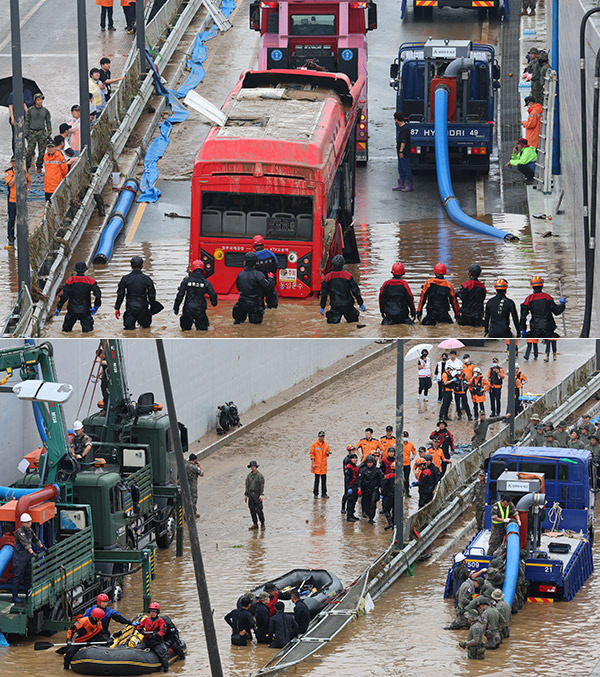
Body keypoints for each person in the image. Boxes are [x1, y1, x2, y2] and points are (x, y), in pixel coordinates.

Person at [55, 261, 101, 333]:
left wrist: (59, 306)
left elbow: (65, 295)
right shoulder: (91, 281)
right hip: (85, 310)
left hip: (72, 310)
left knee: (66, 331)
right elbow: (98, 294)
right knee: (88, 333)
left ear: (75, 270)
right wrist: (96, 306)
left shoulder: (70, 281)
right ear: (85, 270)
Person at [11, 513, 46, 603]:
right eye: (27, 522)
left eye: (30, 522)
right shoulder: (20, 532)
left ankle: (28, 595)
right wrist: (33, 553)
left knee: (28, 577)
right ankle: (14, 596)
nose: (29, 523)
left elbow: (36, 539)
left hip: (27, 558)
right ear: (23, 523)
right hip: (20, 559)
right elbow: (26, 544)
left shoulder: (29, 530)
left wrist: (43, 548)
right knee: (18, 577)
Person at [173, 260, 218, 331]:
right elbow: (213, 294)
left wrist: (176, 308)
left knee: (185, 331)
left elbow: (180, 295)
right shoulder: (206, 282)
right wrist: (214, 303)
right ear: (203, 269)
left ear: (192, 268)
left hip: (188, 309)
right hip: (200, 309)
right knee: (202, 333)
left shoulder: (186, 280)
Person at [115, 256, 158, 330]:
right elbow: (151, 294)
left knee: (128, 331)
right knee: (146, 330)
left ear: (131, 266)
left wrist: (117, 308)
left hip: (130, 308)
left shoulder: (125, 278)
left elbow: (120, 294)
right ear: (142, 265)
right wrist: (153, 308)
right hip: (143, 308)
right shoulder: (147, 279)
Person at [320, 254, 365, 323]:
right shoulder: (347, 275)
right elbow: (356, 291)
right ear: (343, 264)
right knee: (353, 322)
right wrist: (360, 303)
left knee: (332, 325)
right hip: (348, 305)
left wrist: (322, 306)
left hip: (335, 305)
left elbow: (324, 294)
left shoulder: (328, 277)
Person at [233, 251, 275, 325]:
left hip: (242, 302)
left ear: (245, 262)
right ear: (256, 262)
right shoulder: (259, 275)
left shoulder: (240, 275)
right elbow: (268, 287)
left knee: (239, 323)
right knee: (256, 326)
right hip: (255, 304)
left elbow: (238, 287)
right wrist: (271, 278)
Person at [4, 156, 31, 249]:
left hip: (21, 200)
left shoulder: (24, 171)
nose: (16, 164)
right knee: (11, 219)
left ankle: (23, 237)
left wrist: (27, 189)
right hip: (12, 200)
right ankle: (11, 238)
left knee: (23, 219)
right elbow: (10, 184)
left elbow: (29, 180)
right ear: (11, 162)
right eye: (14, 162)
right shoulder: (8, 172)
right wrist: (16, 175)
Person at [25, 93, 51, 172]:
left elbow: (48, 122)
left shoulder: (45, 111)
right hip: (32, 132)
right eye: (38, 100)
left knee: (42, 151)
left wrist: (49, 132)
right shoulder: (30, 110)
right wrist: (27, 132)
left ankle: (39, 166)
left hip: (42, 132)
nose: (40, 101)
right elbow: (27, 121)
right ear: (35, 101)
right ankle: (27, 166)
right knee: (30, 151)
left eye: (41, 99)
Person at [252, 235, 279, 309]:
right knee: (273, 306)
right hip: (270, 283)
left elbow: (248, 270)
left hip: (258, 285)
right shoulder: (271, 254)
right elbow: (276, 264)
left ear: (254, 245)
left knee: (259, 307)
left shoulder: (253, 256)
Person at [357, 455, 384, 523]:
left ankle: (371, 517)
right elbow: (359, 480)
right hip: (365, 489)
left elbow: (381, 480)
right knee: (365, 502)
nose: (369, 464)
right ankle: (364, 512)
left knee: (373, 502)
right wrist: (359, 488)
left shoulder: (377, 470)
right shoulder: (363, 470)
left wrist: (382, 488)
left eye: (371, 462)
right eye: (368, 462)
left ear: (373, 462)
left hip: (374, 489)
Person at [393, 111, 413, 192]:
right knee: (400, 168)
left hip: (404, 153)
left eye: (395, 119)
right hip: (400, 152)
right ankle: (401, 184)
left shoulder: (405, 129)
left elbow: (403, 142)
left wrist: (401, 152)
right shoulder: (401, 128)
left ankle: (409, 185)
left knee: (406, 168)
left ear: (397, 119)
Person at [245, 460, 265, 530]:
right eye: (251, 467)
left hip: (257, 494)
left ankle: (262, 523)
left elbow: (262, 485)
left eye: (253, 466)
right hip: (251, 494)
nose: (252, 468)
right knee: (252, 510)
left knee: (259, 510)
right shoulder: (249, 476)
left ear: (256, 467)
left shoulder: (260, 476)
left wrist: (261, 494)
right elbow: (247, 485)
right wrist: (246, 495)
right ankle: (255, 524)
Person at [310, 431, 330, 498]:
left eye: (323, 436)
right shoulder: (314, 444)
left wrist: (328, 453)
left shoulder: (326, 444)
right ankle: (316, 493)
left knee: (324, 480)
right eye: (321, 436)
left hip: (323, 465)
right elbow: (312, 454)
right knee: (317, 480)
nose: (322, 437)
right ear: (318, 436)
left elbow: (327, 453)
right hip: (317, 465)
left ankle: (324, 493)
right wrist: (313, 463)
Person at [185, 453, 203, 518]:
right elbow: (202, 474)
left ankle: (188, 513)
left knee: (186, 499)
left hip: (185, 486)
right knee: (193, 500)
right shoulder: (194, 467)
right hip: (193, 486)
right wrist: (199, 466)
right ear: (195, 460)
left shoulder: (185, 466)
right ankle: (191, 514)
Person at [344, 452, 360, 521]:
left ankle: (352, 514)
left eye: (356, 458)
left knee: (354, 501)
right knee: (350, 502)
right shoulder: (348, 467)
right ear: (350, 459)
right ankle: (349, 516)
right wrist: (348, 488)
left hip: (355, 486)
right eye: (353, 458)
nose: (355, 459)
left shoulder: (356, 467)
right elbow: (347, 479)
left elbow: (358, 477)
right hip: (350, 486)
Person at [381, 457, 396, 530]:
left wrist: (382, 495)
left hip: (388, 496)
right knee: (395, 510)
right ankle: (393, 524)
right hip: (396, 497)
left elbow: (384, 487)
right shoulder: (400, 477)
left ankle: (390, 523)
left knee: (386, 510)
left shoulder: (387, 476)